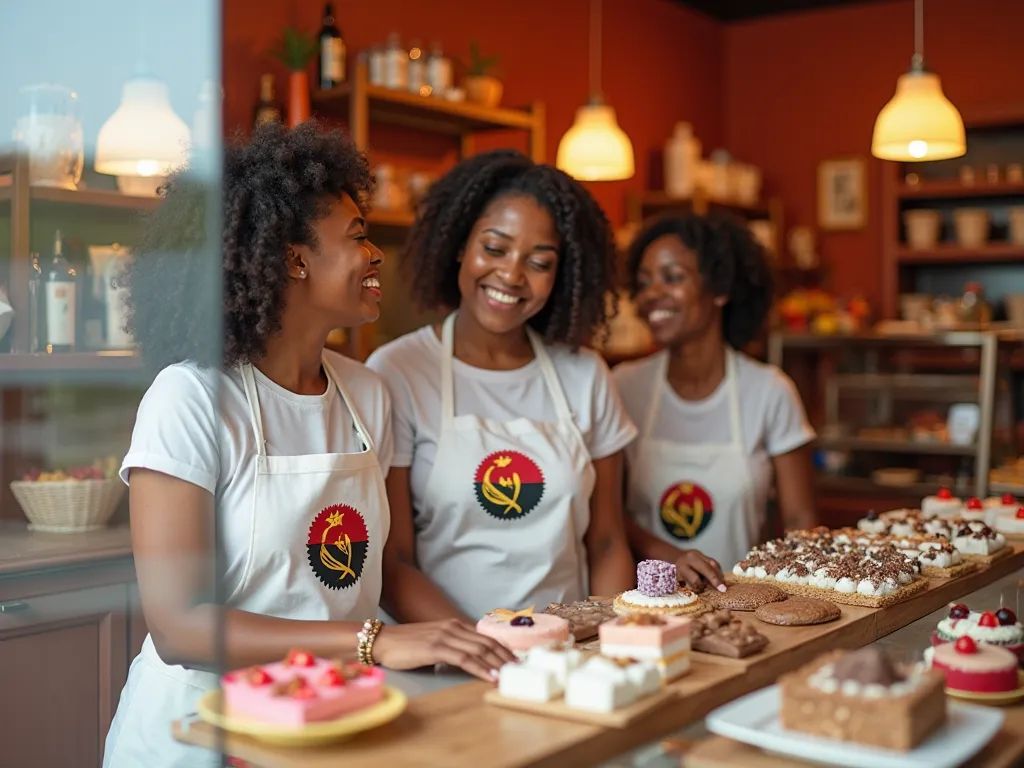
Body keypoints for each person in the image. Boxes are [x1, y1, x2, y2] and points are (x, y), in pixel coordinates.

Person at [103, 122, 514, 768]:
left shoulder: (366, 394)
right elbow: (179, 625)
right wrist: (374, 641)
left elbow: (385, 570)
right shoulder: (189, 400)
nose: (377, 254)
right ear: (294, 257)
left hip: (325, 722)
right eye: (356, 237)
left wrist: (480, 640)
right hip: (201, 733)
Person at [368, 150, 720, 625]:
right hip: (445, 658)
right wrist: (474, 646)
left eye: (539, 262)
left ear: (562, 276)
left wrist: (610, 642)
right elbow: (395, 563)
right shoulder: (400, 372)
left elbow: (608, 541)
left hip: (568, 655)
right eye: (494, 249)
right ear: (459, 246)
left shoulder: (585, 375)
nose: (512, 275)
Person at [613, 212, 817, 577]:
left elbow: (801, 521)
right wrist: (670, 555)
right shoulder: (623, 387)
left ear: (720, 289)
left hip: (746, 607)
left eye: (673, 277)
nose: (652, 295)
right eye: (643, 283)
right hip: (646, 611)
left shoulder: (770, 391)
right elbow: (606, 517)